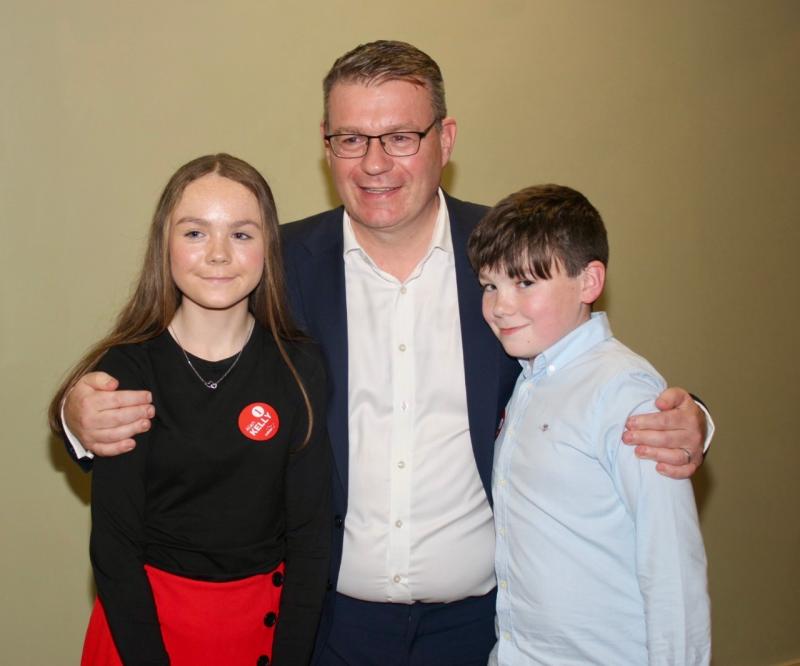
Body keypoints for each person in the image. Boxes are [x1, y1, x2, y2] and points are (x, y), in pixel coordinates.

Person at [60, 42, 711, 664]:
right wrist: (77, 413)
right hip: (324, 626)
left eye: (401, 137)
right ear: (327, 145)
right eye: (351, 139)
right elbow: (176, 354)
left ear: (445, 140)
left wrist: (691, 421)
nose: (374, 163)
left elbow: (587, 366)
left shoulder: (506, 261)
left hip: (484, 628)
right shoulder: (271, 263)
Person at [49, 154, 331, 665]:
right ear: (165, 244)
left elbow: (310, 538)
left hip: (260, 631)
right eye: (195, 233)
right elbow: (113, 551)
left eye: (242, 234)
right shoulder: (127, 371)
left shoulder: (300, 366)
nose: (218, 254)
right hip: (142, 630)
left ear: (270, 246)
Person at [468, 184, 711, 664]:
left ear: (589, 282)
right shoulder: (529, 380)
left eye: (525, 283)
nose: (500, 306)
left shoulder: (623, 390)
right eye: (490, 286)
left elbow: (671, 568)